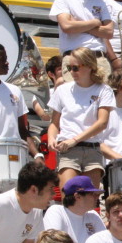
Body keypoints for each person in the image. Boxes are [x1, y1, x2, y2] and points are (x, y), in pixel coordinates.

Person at [47, 47, 116, 190]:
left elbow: (102, 123)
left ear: (90, 66)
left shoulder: (103, 90)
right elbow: (54, 124)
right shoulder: (62, 90)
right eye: (69, 68)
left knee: (89, 199)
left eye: (75, 68)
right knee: (69, 194)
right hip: (68, 150)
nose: (72, 72)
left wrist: (75, 140)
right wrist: (51, 139)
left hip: (92, 149)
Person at [49, 0, 118, 82]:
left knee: (101, 100)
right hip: (74, 57)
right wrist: (94, 23)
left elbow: (109, 32)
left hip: (98, 58)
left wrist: (79, 25)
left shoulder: (100, 2)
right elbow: (67, 27)